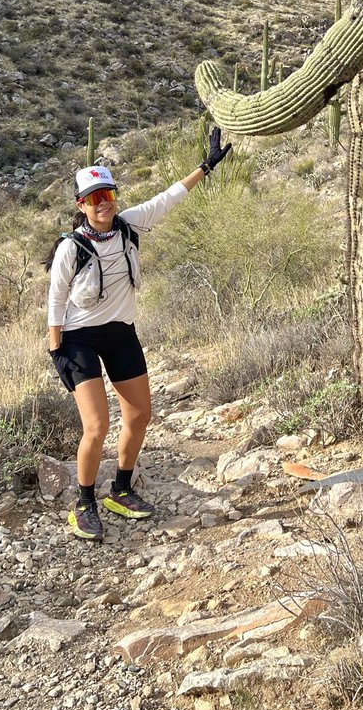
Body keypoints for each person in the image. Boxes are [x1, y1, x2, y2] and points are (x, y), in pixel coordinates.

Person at [46, 127, 231, 541]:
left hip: (120, 333)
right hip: (79, 339)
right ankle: (84, 503)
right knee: (96, 425)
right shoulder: (70, 248)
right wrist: (56, 348)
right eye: (94, 199)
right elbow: (55, 299)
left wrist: (205, 167)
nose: (103, 205)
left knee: (140, 415)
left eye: (108, 196)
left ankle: (122, 489)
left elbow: (167, 199)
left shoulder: (129, 225)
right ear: (81, 205)